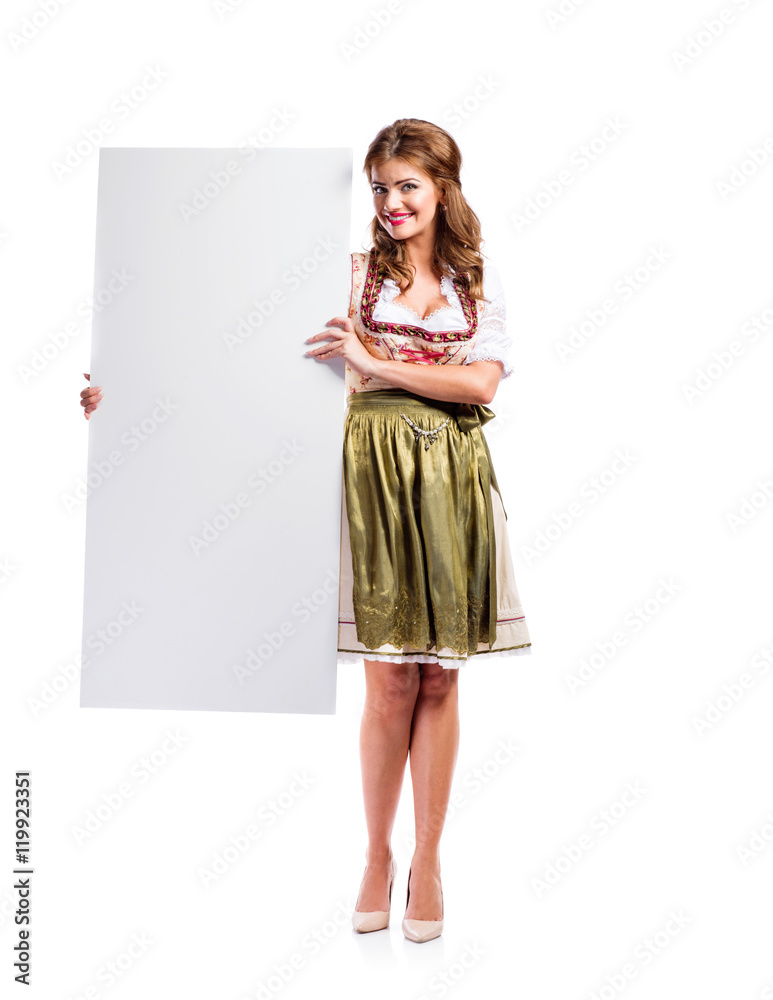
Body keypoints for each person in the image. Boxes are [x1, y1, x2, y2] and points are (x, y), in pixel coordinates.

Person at [79, 118, 532, 944]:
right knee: (389, 680)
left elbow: (479, 383)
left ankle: (428, 859)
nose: (391, 203)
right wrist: (130, 391)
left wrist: (375, 364)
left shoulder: (478, 279)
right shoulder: (348, 273)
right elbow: (233, 344)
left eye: (408, 187)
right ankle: (375, 854)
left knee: (440, 677)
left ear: (442, 191)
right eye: (380, 187)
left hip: (451, 481)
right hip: (364, 475)